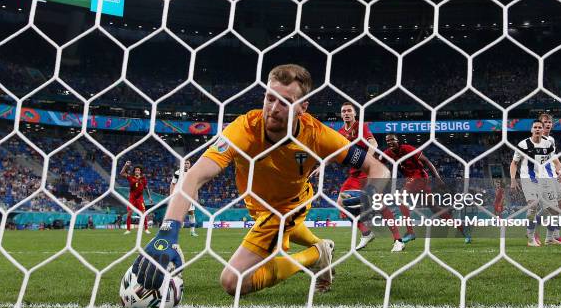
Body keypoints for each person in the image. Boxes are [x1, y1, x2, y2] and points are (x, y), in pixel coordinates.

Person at [132, 64, 390, 295]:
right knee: (285, 233)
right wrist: (168, 232)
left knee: (233, 282)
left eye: (284, 102)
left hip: (288, 207)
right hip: (259, 207)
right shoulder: (245, 128)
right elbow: (194, 176)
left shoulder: (319, 136)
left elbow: (378, 168)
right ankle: (320, 248)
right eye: (269, 98)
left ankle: (313, 256)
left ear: (303, 107)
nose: (273, 109)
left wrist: (371, 196)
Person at [336, 103, 405, 252]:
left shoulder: (361, 126)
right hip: (354, 174)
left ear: (355, 114)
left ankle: (398, 240)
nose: (346, 113)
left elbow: (372, 142)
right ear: (341, 115)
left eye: (349, 111)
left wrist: (368, 156)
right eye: (343, 111)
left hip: (370, 171)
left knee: (379, 205)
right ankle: (366, 233)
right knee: (341, 203)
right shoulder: (340, 132)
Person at [383, 134, 471, 244]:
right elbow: (379, 162)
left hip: (420, 177)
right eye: (387, 141)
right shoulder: (387, 153)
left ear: (398, 141)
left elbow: (427, 161)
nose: (390, 142)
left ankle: (410, 232)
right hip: (411, 180)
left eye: (392, 140)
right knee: (435, 208)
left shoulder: (408, 149)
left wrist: (438, 178)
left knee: (401, 196)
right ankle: (463, 228)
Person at [510, 120, 561, 246]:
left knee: (555, 210)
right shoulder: (523, 144)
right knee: (533, 205)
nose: (538, 129)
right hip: (529, 179)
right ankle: (530, 239)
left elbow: (556, 162)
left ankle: (549, 239)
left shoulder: (548, 144)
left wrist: (560, 172)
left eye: (540, 127)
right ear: (531, 130)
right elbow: (514, 163)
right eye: (535, 127)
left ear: (542, 129)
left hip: (546, 180)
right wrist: (513, 179)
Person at [538, 113, 561, 244]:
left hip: (553, 176)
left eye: (550, 122)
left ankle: (555, 236)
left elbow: (554, 159)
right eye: (545, 122)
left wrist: (560, 172)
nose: (548, 124)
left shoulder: (552, 140)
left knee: (560, 204)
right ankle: (534, 230)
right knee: (551, 208)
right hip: (544, 178)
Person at [120, 161, 153, 235]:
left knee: (143, 214)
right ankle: (128, 230)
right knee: (129, 213)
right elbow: (122, 173)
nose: (137, 171)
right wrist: (125, 165)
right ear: (134, 171)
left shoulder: (143, 178)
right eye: (136, 170)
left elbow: (146, 188)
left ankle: (146, 229)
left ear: (140, 171)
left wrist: (150, 197)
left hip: (140, 198)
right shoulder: (130, 177)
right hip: (132, 198)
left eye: (138, 170)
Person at [170, 160, 198, 237]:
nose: (186, 165)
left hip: (189, 195)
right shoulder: (177, 173)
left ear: (190, 164)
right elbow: (172, 184)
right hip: (179, 195)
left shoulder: (192, 172)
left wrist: (196, 196)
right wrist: (171, 195)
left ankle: (192, 231)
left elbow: (195, 185)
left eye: (187, 163)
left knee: (191, 213)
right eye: (184, 163)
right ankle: (175, 230)